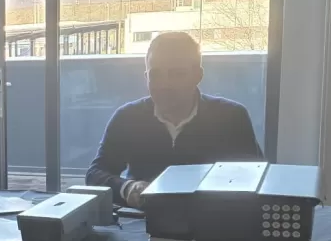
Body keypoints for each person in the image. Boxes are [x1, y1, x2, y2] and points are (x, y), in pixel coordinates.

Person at [86, 31, 262, 207]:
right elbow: (95, 174)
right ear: (146, 77)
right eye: (156, 75)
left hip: (211, 219)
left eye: (177, 74)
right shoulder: (128, 118)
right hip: (142, 219)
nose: (165, 84)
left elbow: (255, 179)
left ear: (198, 76)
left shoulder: (231, 117)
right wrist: (127, 188)